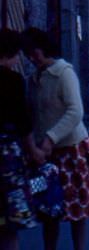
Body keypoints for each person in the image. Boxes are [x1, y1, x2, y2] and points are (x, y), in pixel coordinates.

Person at [21, 27, 89, 250]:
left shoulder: (64, 73)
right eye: (29, 55)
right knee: (47, 208)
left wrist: (50, 138)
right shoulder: (33, 79)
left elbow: (75, 111)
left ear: (43, 49)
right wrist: (34, 145)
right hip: (45, 154)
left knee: (77, 207)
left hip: (71, 149)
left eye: (34, 53)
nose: (32, 59)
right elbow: (32, 114)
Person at [0, 28, 45, 250]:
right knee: (9, 225)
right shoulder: (12, 80)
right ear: (8, 53)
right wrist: (34, 151)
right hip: (6, 156)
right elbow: (22, 119)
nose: (18, 59)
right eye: (16, 54)